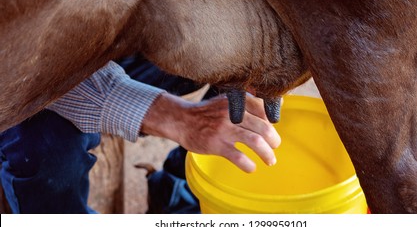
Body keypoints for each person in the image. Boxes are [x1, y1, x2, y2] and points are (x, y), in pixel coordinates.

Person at [0, 54, 280, 214]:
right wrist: (176, 116)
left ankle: (175, 197)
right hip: (22, 65)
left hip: (110, 34)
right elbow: (20, 63)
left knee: (247, 67)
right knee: (43, 144)